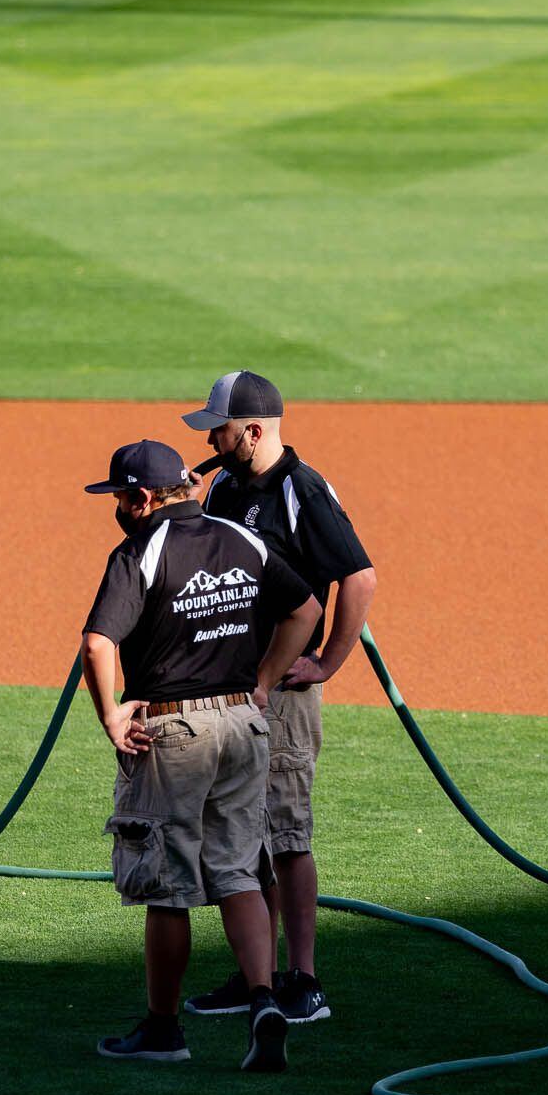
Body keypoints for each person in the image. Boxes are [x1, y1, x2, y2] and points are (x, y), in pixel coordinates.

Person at [80, 440, 322, 1071]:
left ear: (141, 497)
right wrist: (264, 680)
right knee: (241, 870)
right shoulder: (241, 538)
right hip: (244, 724)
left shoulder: (138, 551)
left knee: (167, 885)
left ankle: (164, 1031)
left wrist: (110, 713)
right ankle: (264, 999)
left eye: (118, 498)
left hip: (173, 731)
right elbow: (306, 609)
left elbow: (97, 645)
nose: (116, 510)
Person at [173, 372, 377, 1029]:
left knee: (287, 834)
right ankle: (255, 974)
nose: (213, 437)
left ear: (253, 430)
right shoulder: (227, 487)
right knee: (242, 835)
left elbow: (360, 576)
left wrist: (327, 661)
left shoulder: (302, 490)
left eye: (221, 427)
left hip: (283, 691)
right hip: (229, 688)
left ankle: (304, 979)